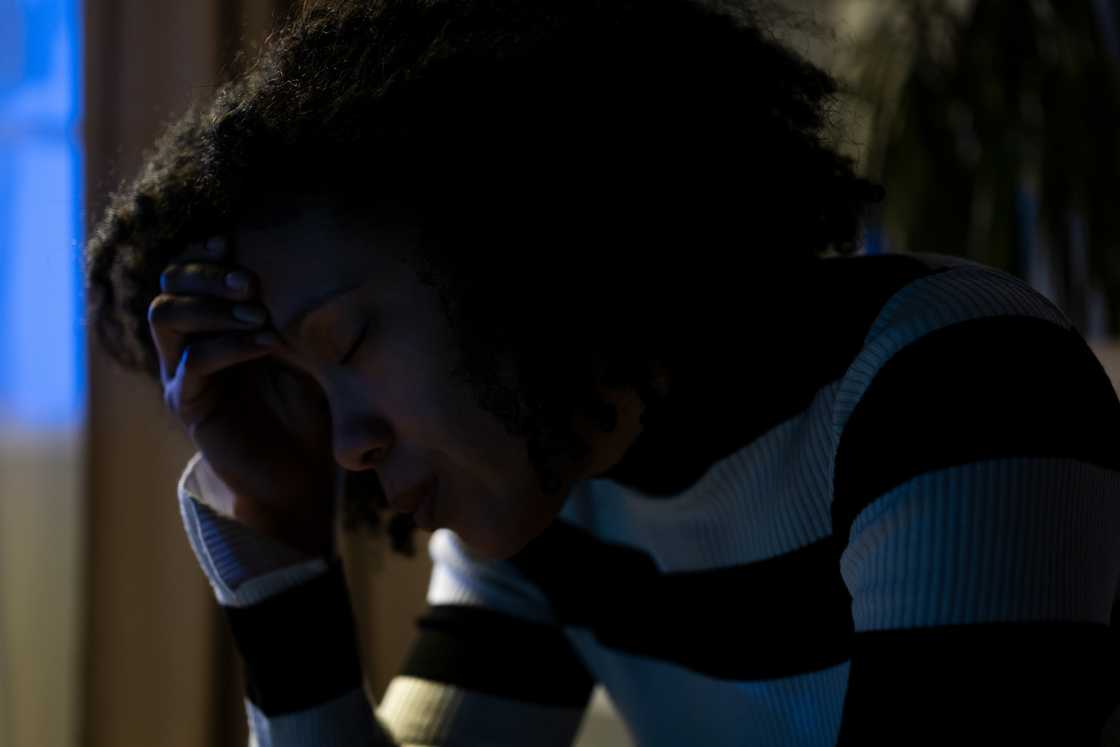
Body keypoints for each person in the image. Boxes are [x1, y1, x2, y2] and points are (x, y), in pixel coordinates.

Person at [82, 0, 1120, 744]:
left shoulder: (952, 385)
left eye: (347, 346)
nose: (347, 446)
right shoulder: (546, 497)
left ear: (517, 248)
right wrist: (279, 549)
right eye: (308, 395)